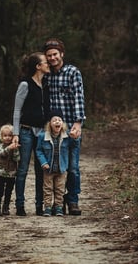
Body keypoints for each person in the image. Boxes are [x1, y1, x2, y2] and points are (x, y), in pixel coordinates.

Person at [43, 38, 85, 215]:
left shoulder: (72, 72)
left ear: (62, 54)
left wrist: (78, 123)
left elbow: (78, 97)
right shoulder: (47, 75)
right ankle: (53, 203)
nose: (52, 58)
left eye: (55, 54)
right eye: (49, 55)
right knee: (55, 167)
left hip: (70, 129)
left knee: (73, 167)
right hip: (53, 131)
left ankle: (73, 200)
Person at [12, 52, 50, 216]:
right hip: (26, 131)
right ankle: (20, 205)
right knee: (23, 169)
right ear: (38, 66)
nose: (48, 64)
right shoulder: (25, 84)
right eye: (45, 62)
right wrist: (16, 133)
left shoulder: (46, 84)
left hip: (42, 133)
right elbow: (17, 110)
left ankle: (39, 206)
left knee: (41, 169)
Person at [36, 109, 78, 217]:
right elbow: (39, 150)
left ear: (62, 124)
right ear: (50, 123)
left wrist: (75, 138)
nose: (57, 122)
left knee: (60, 189)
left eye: (59, 120)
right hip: (48, 169)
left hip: (61, 168)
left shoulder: (67, 136)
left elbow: (73, 146)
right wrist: (43, 162)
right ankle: (48, 208)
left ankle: (58, 207)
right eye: (54, 120)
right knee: (47, 189)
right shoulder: (42, 136)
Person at [0, 124, 20, 216]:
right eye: (5, 136)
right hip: (1, 173)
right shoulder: (1, 146)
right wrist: (9, 148)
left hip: (11, 174)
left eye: (10, 136)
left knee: (9, 191)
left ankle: (6, 207)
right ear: (1, 137)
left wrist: (15, 149)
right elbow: (2, 154)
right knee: (0, 191)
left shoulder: (15, 147)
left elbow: (17, 159)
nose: (7, 138)